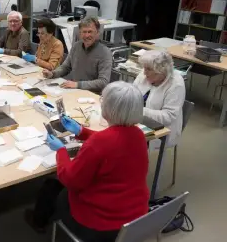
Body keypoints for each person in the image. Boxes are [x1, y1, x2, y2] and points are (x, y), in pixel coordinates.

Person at [25, 81, 149, 242]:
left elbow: (70, 179)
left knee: (56, 187)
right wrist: (82, 132)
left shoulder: (98, 143)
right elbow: (113, 144)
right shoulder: (139, 135)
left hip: (101, 226)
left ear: (108, 109)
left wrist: (60, 150)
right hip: (137, 219)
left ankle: (39, 222)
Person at [42, 17, 112, 92]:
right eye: (84, 32)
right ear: (80, 33)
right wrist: (52, 74)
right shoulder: (76, 46)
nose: (87, 35)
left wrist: (78, 85)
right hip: (75, 90)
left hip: (92, 96)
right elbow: (66, 67)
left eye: (90, 32)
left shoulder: (105, 53)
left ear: (97, 33)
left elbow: (103, 82)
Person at [134, 50, 185, 148]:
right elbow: (131, 93)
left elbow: (168, 116)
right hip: (137, 120)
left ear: (162, 71)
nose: (144, 72)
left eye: (148, 69)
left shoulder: (176, 84)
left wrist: (139, 111)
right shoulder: (144, 74)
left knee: (126, 140)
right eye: (144, 68)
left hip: (161, 130)